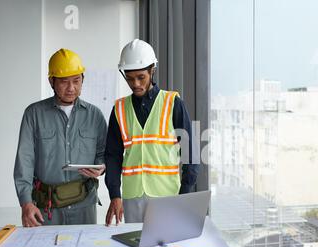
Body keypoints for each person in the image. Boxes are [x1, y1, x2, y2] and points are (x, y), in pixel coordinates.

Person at [105, 39, 199, 225]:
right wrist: (115, 195)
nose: (136, 84)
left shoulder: (173, 103)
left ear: (152, 71)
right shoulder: (119, 109)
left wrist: (183, 197)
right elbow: (112, 156)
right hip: (132, 198)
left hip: (167, 196)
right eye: (130, 78)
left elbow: (191, 155)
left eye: (141, 77)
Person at [14, 48, 107, 227]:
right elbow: (24, 161)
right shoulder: (34, 114)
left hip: (84, 207)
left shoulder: (94, 115)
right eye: (64, 82)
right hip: (46, 209)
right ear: (51, 81)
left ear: (82, 80)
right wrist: (26, 203)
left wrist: (101, 167)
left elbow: (103, 153)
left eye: (76, 81)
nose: (71, 88)